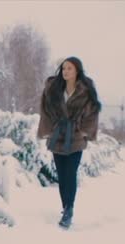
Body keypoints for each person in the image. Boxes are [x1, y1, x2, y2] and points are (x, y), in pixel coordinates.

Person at [37, 56, 101, 229]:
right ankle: (66, 207)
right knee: (61, 175)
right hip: (58, 137)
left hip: (75, 138)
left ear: (77, 71)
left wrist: (82, 130)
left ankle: (69, 210)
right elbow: (45, 110)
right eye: (63, 68)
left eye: (69, 68)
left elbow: (93, 111)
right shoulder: (53, 89)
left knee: (70, 172)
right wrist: (50, 128)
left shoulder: (85, 90)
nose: (65, 71)